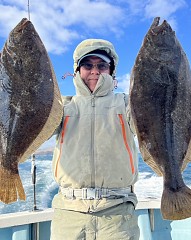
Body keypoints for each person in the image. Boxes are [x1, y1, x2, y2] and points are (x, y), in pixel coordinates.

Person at [50, 39, 140, 240]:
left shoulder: (127, 104)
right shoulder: (62, 107)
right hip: (69, 212)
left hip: (117, 213)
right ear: (77, 69)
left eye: (102, 66)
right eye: (87, 65)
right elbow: (35, 129)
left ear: (111, 70)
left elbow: (149, 125)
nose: (95, 71)